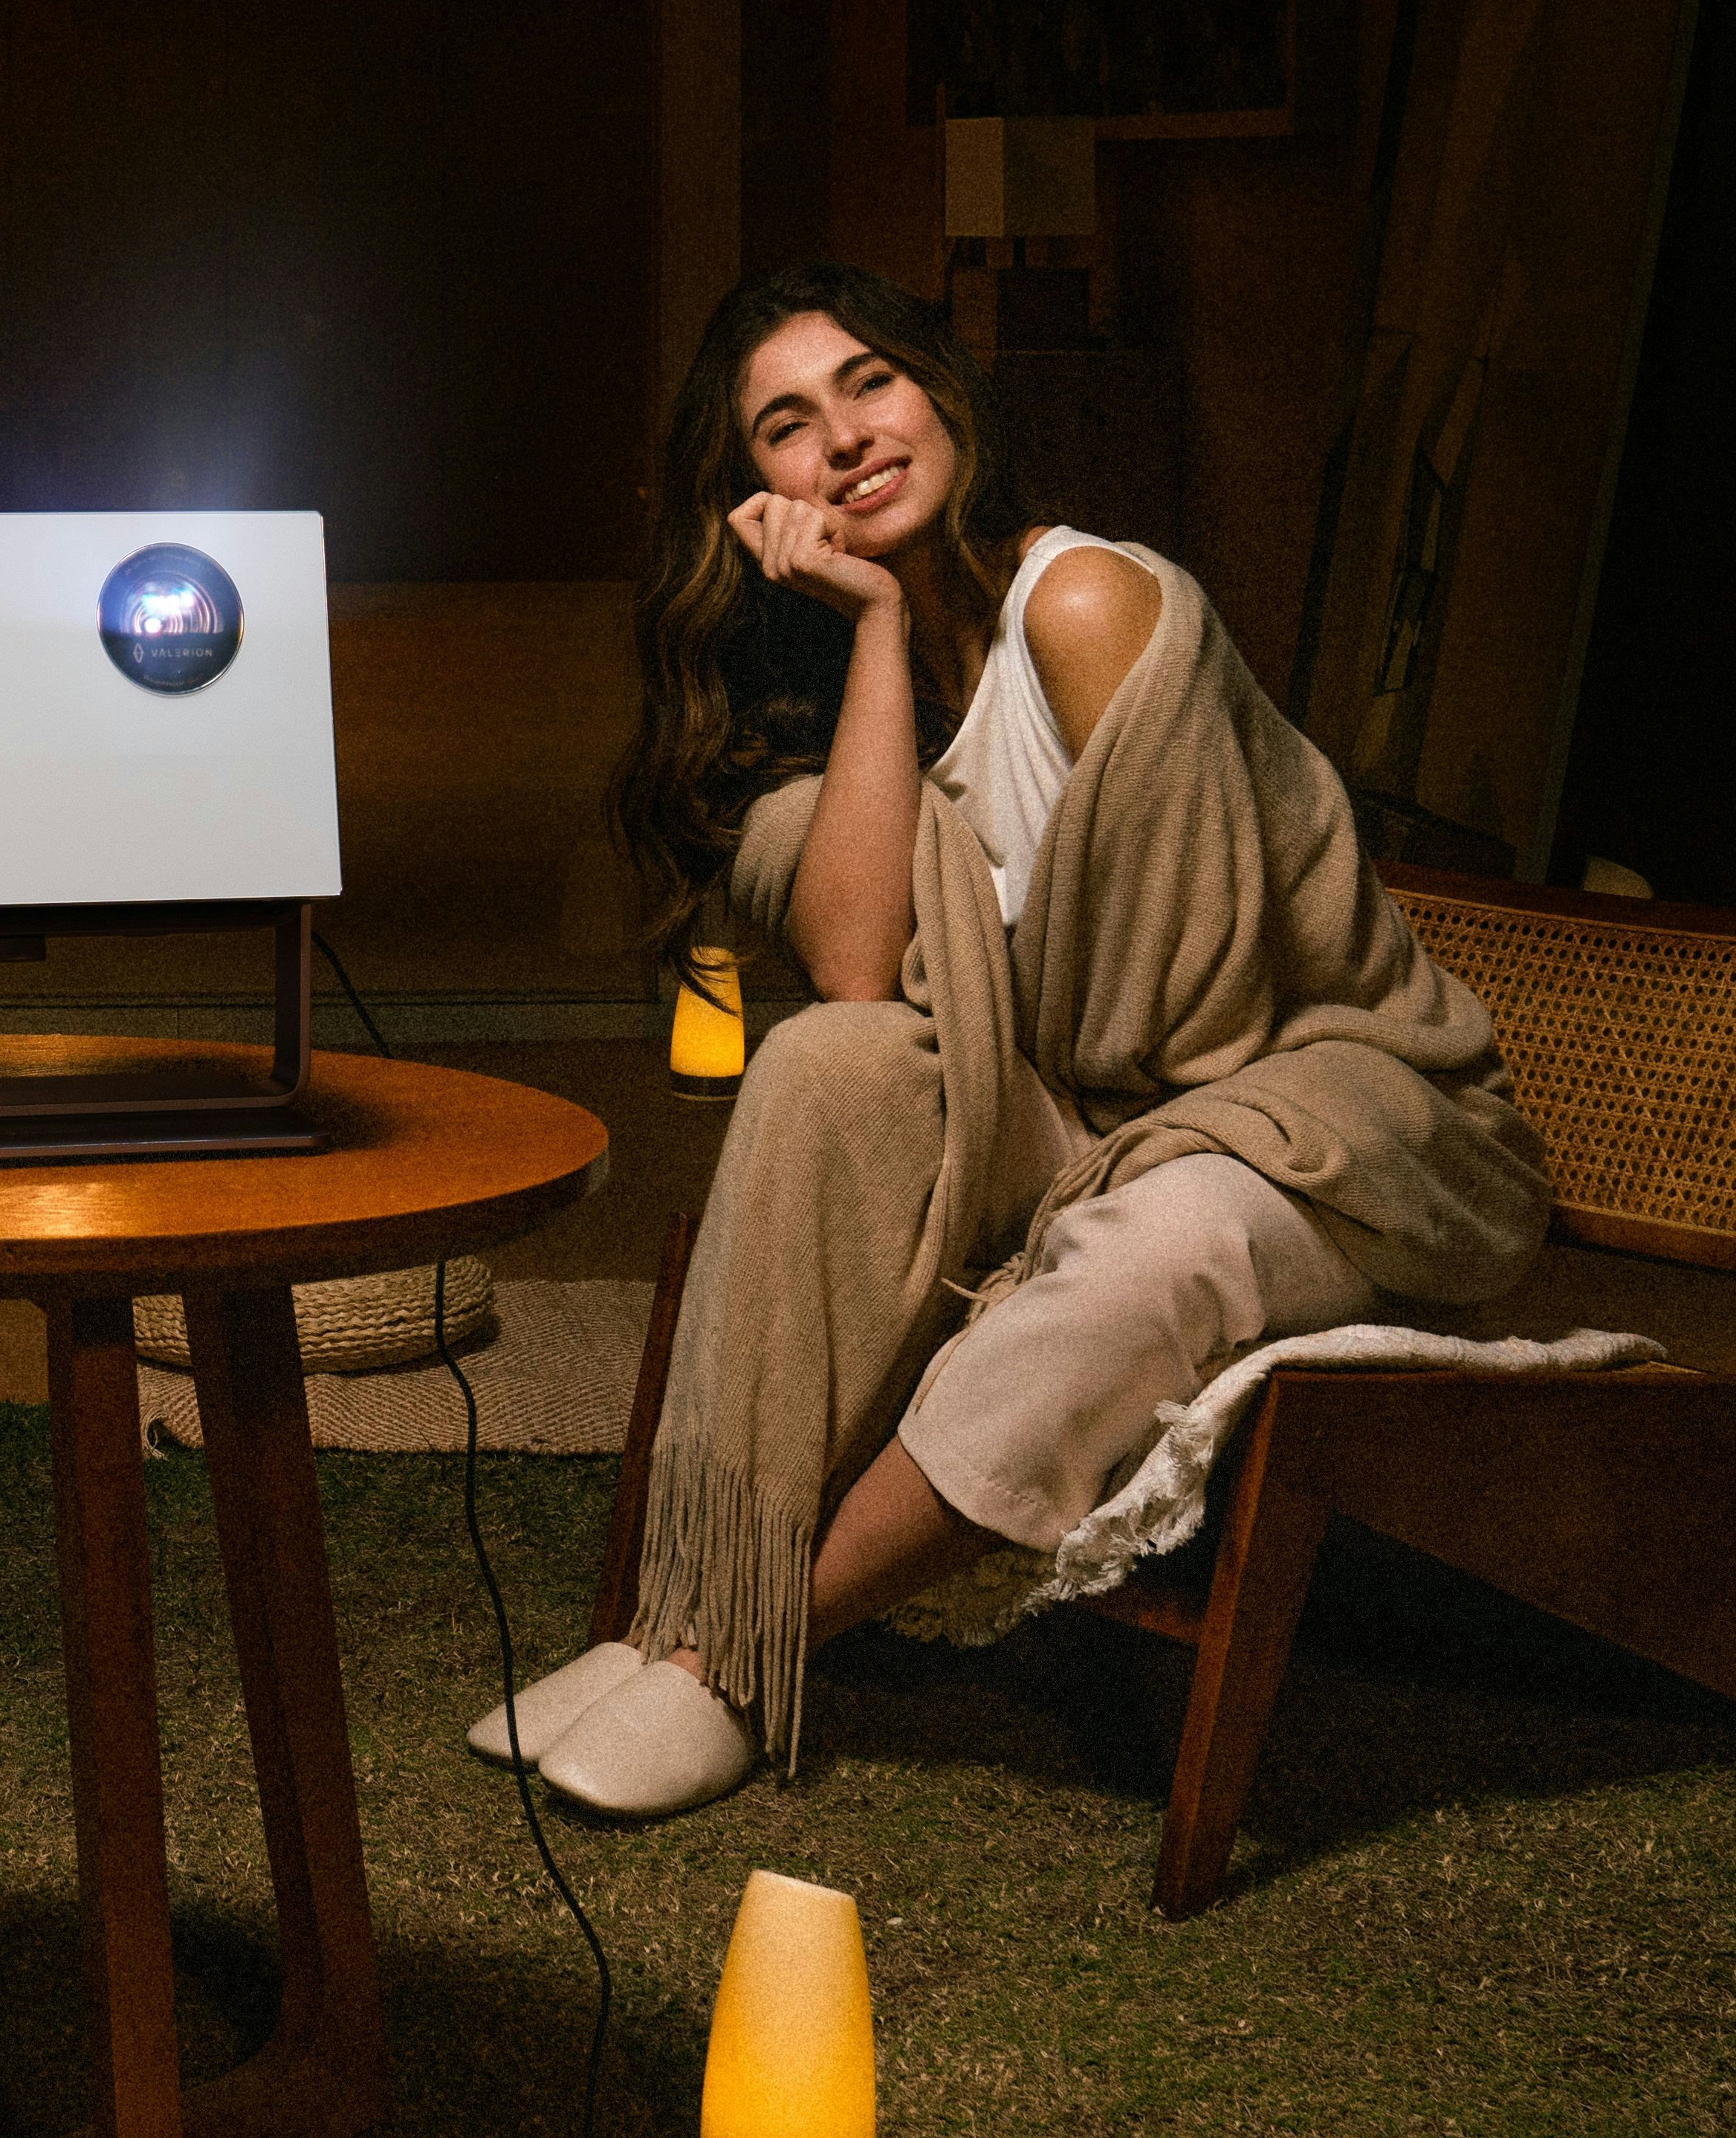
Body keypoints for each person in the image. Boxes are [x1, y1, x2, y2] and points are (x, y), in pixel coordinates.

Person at [479, 262, 1546, 1821]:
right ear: (744, 503)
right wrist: (862, 635)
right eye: (786, 426)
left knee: (1158, 1238)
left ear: (942, 399)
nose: (844, 437)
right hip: (1101, 1119)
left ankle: (728, 1654)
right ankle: (682, 1602)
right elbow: (857, 972)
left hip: (1331, 1121)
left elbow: (1190, 1014)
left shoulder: (1091, 603)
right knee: (820, 1069)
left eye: (871, 383)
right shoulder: (816, 704)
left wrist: (1019, 1088)